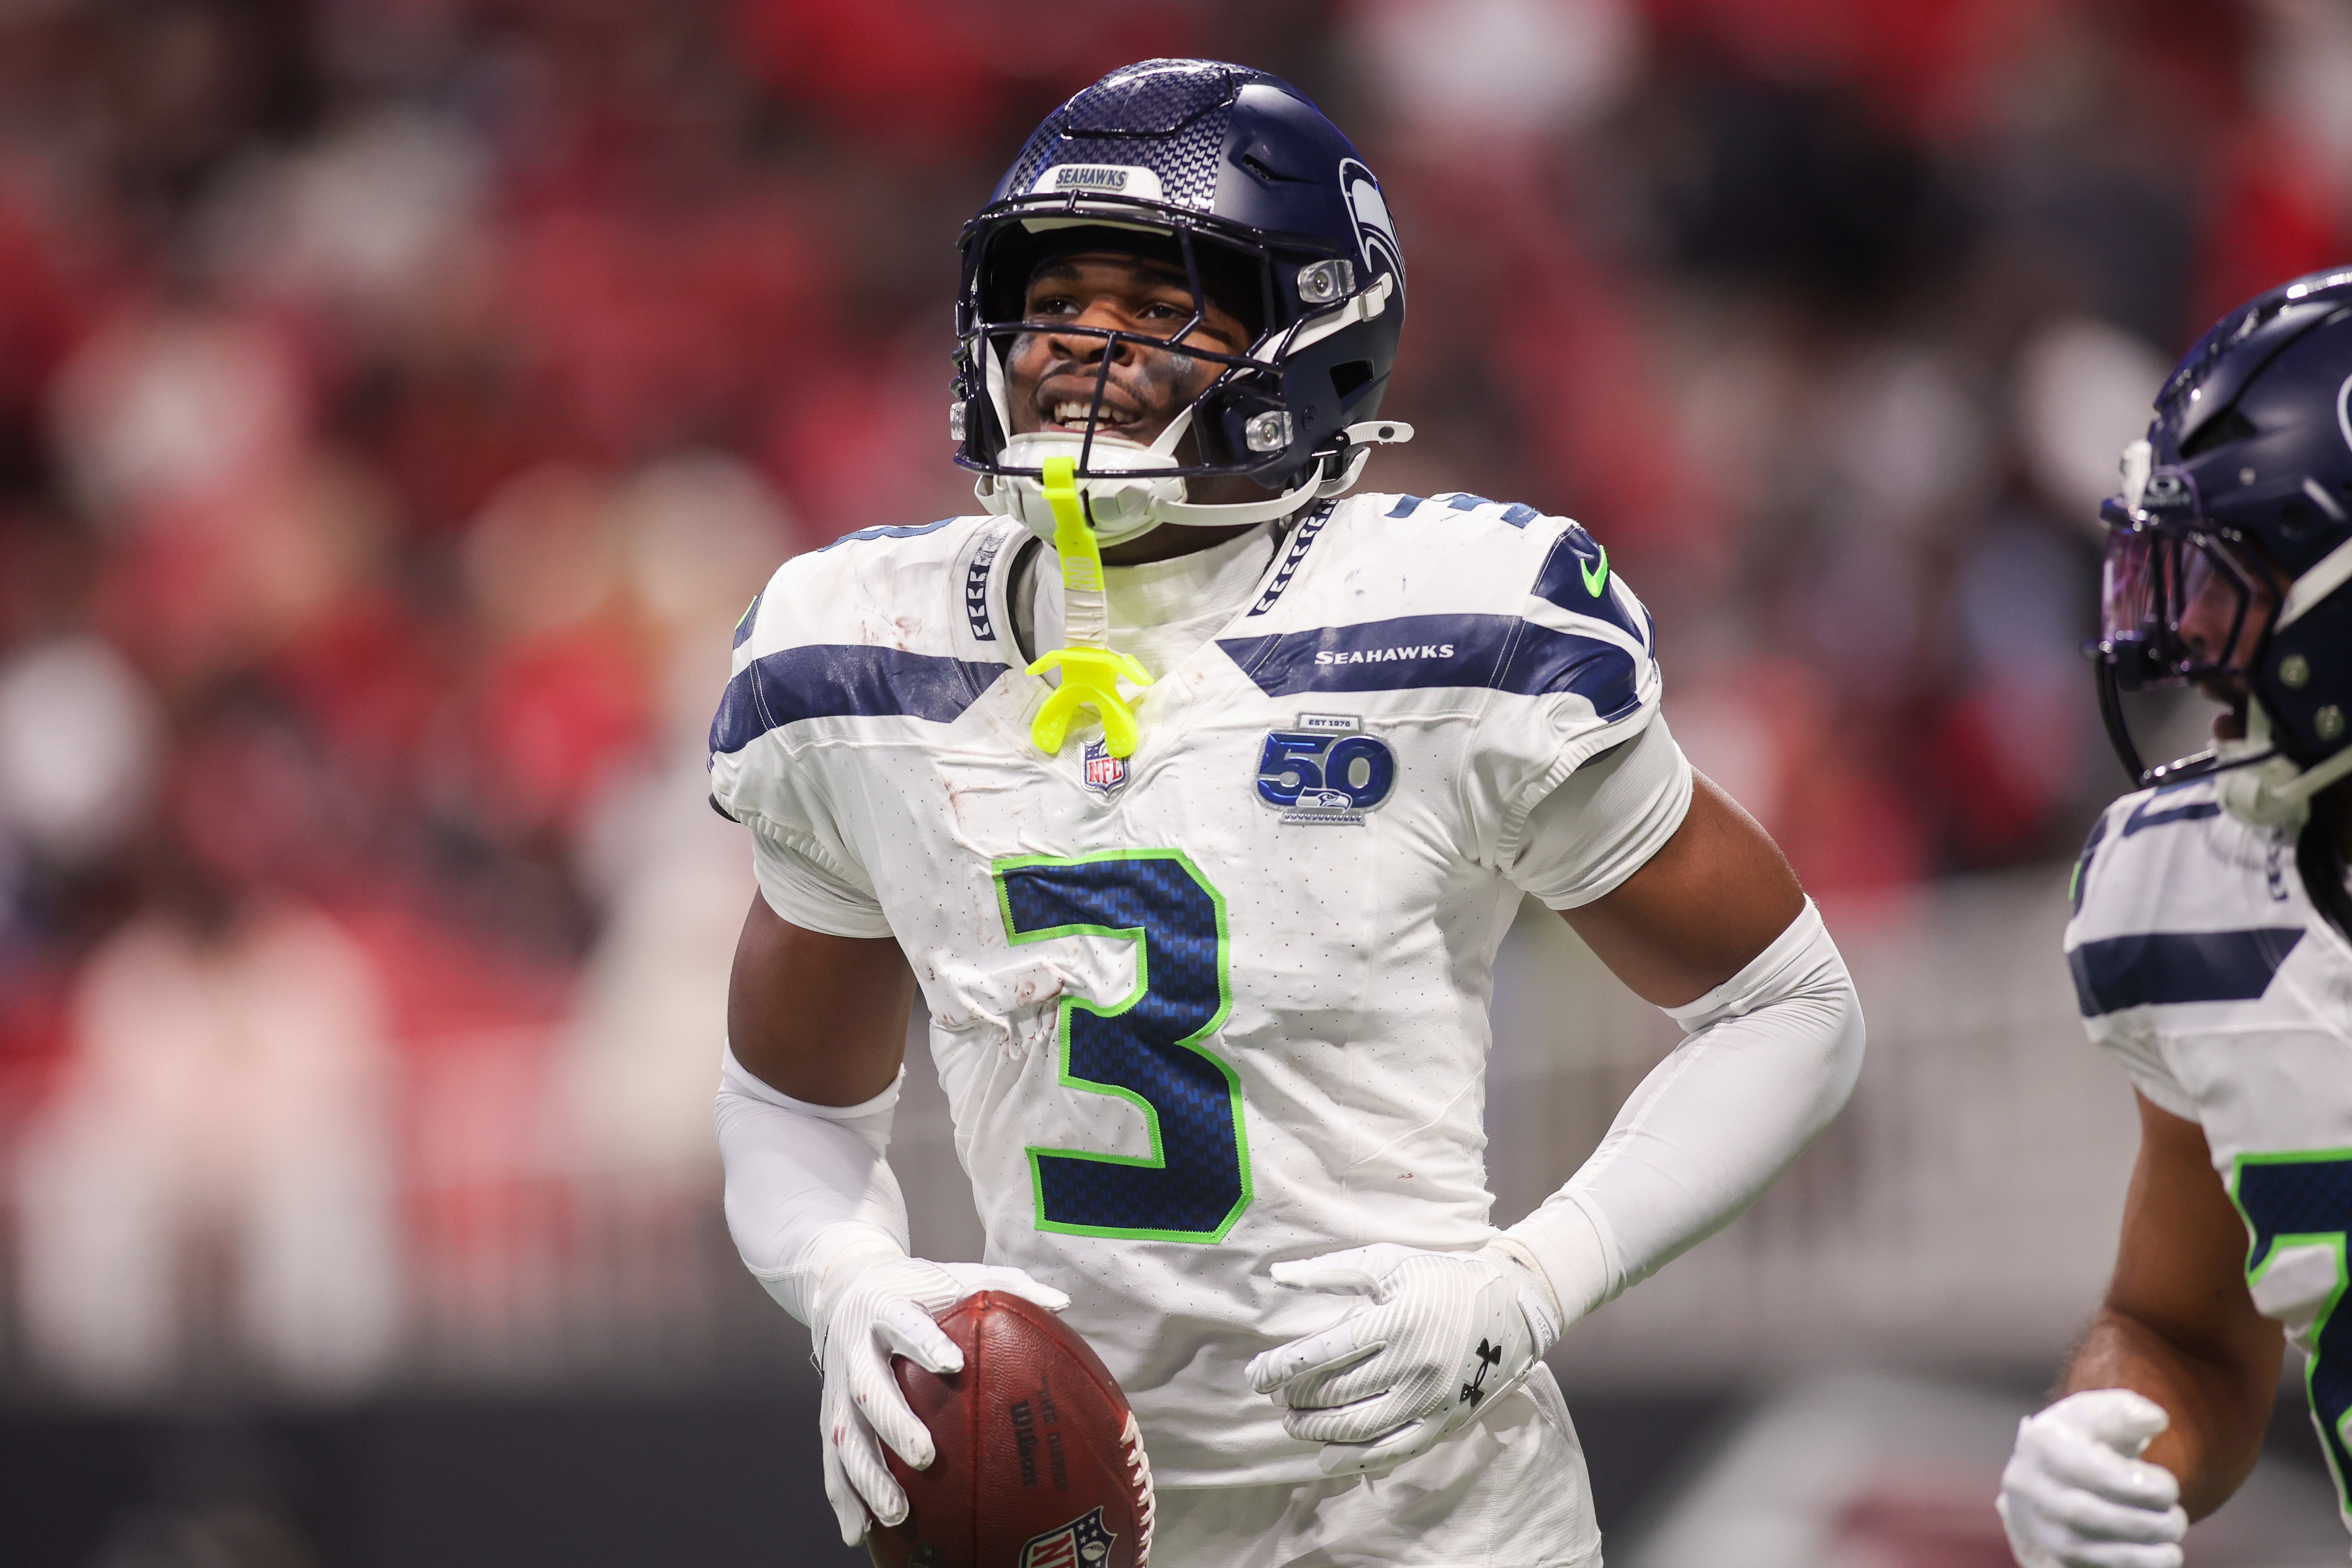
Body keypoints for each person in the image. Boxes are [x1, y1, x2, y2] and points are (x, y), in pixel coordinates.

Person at [712, 59, 1863, 1567]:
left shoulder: (1443, 620)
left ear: (1306, 336)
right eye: (1056, 300)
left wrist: (1532, 1280)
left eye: (1159, 305)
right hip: (1068, 1513)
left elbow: (1789, 1006)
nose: (1083, 348)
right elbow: (791, 1100)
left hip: (1433, 1515)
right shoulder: (853, 650)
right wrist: (847, 1278)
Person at [1998, 265, 2352, 1568]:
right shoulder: (2195, 895)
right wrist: (2110, 1427)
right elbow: (2189, 1330)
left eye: (2221, 582)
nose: (2175, 634)